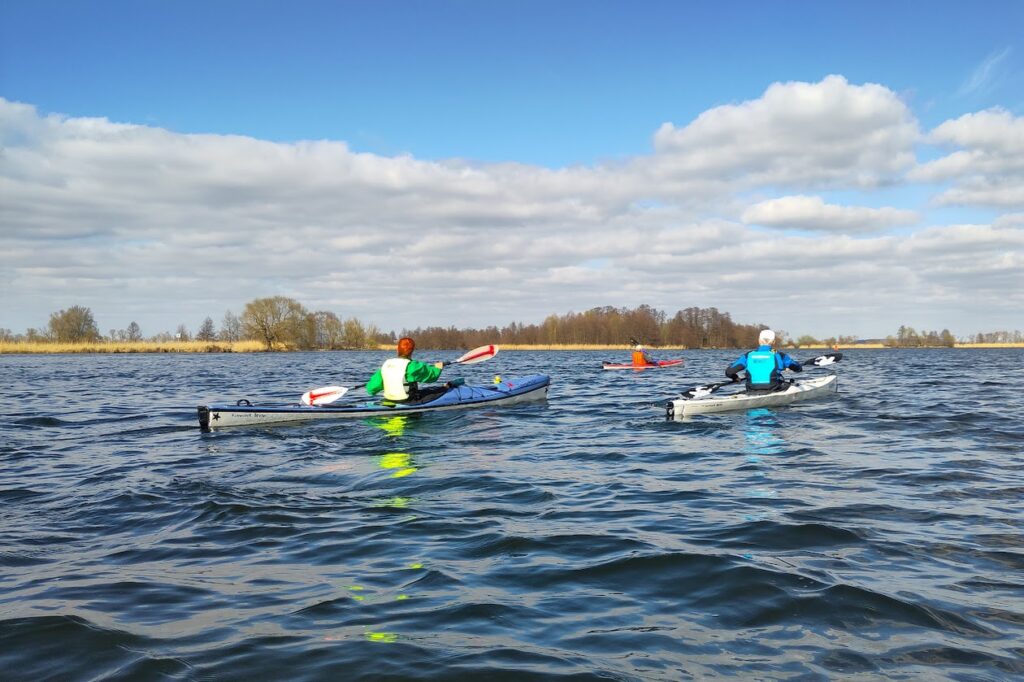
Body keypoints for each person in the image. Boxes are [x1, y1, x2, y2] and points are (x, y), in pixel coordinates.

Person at [366, 337, 445, 403]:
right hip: (408, 401)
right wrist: (438, 368)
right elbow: (432, 376)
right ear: (412, 351)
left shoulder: (386, 364)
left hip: (388, 400)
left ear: (398, 350)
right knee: (437, 391)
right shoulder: (412, 366)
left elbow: (371, 389)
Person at [725, 329, 802, 392]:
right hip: (774, 388)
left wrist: (735, 377)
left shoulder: (748, 355)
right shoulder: (778, 354)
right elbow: (796, 367)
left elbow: (729, 372)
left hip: (752, 389)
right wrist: (798, 368)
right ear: (773, 342)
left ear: (759, 340)